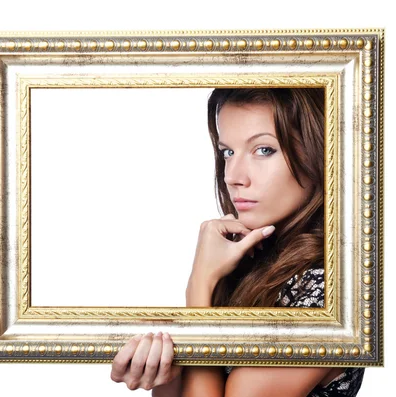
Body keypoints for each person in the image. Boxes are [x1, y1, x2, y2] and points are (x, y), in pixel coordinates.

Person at [110, 88, 365, 397]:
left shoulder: (326, 290)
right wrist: (165, 370)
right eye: (227, 152)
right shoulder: (248, 265)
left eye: (264, 150)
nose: (232, 176)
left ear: (319, 151)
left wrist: (200, 285)